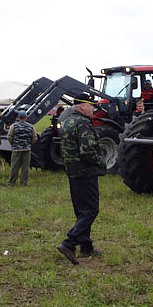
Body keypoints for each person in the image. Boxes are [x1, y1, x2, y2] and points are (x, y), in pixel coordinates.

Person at [57, 93, 106, 265]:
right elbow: (88, 151)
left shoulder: (67, 122)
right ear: (83, 106)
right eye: (92, 106)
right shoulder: (84, 123)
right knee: (91, 210)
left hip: (72, 171)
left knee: (81, 209)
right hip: (86, 172)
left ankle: (86, 246)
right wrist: (101, 163)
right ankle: (69, 243)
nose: (93, 109)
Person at [7, 111, 37, 186]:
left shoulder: (13, 126)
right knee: (25, 167)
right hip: (27, 149)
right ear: (26, 117)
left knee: (14, 166)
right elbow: (34, 138)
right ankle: (24, 183)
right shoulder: (31, 126)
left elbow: (9, 136)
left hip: (16, 149)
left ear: (18, 117)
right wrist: (29, 145)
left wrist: (13, 144)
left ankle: (11, 182)